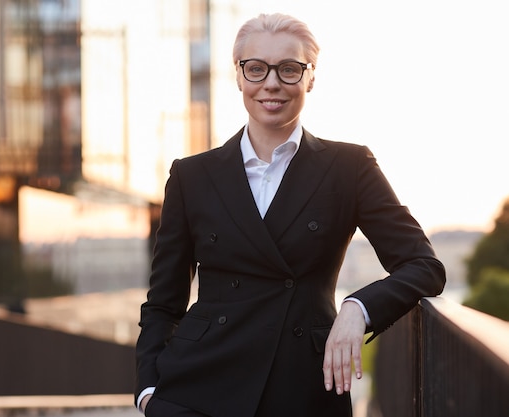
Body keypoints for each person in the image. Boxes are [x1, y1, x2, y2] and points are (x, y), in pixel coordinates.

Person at [135, 12, 445, 417]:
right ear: (239, 77)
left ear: (310, 77)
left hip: (303, 385)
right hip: (196, 390)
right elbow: (163, 302)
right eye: (256, 68)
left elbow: (424, 266)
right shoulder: (192, 175)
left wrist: (357, 309)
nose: (272, 83)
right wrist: (147, 391)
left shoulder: (349, 167)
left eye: (289, 69)